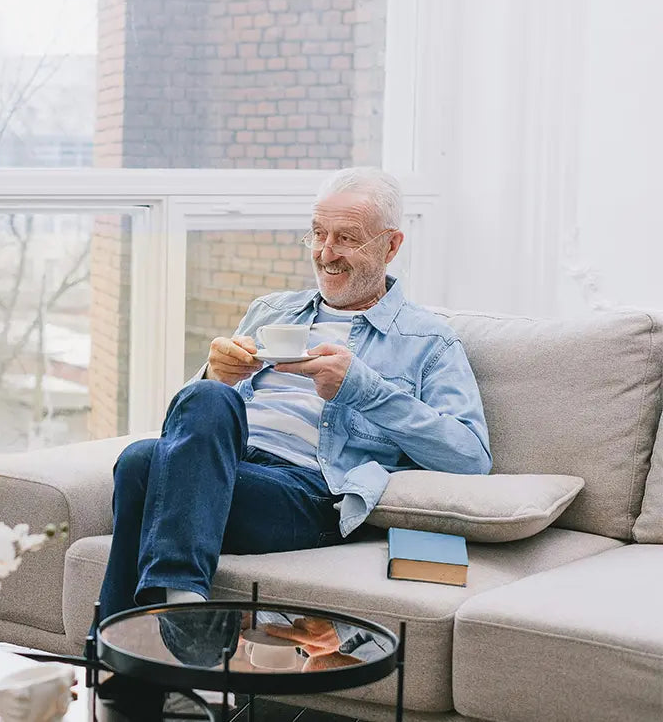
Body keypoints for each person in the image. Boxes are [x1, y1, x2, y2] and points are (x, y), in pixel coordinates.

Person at [98, 167, 492, 616]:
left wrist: (362, 390)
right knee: (170, 433)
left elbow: (471, 459)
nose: (326, 253)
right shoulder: (271, 310)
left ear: (391, 245)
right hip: (228, 465)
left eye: (346, 238)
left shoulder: (430, 342)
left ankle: (134, 643)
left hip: (308, 495)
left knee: (140, 465)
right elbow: (181, 430)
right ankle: (173, 615)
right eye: (318, 234)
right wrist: (215, 376)